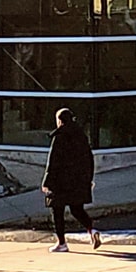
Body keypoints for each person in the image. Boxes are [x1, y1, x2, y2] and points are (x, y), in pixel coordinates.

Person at [42, 106, 100, 252]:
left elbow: (53, 161)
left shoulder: (60, 137)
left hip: (60, 182)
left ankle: (62, 243)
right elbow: (89, 158)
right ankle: (92, 230)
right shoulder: (81, 135)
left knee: (57, 210)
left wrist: (47, 182)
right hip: (78, 180)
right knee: (77, 209)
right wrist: (89, 178)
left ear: (60, 121)